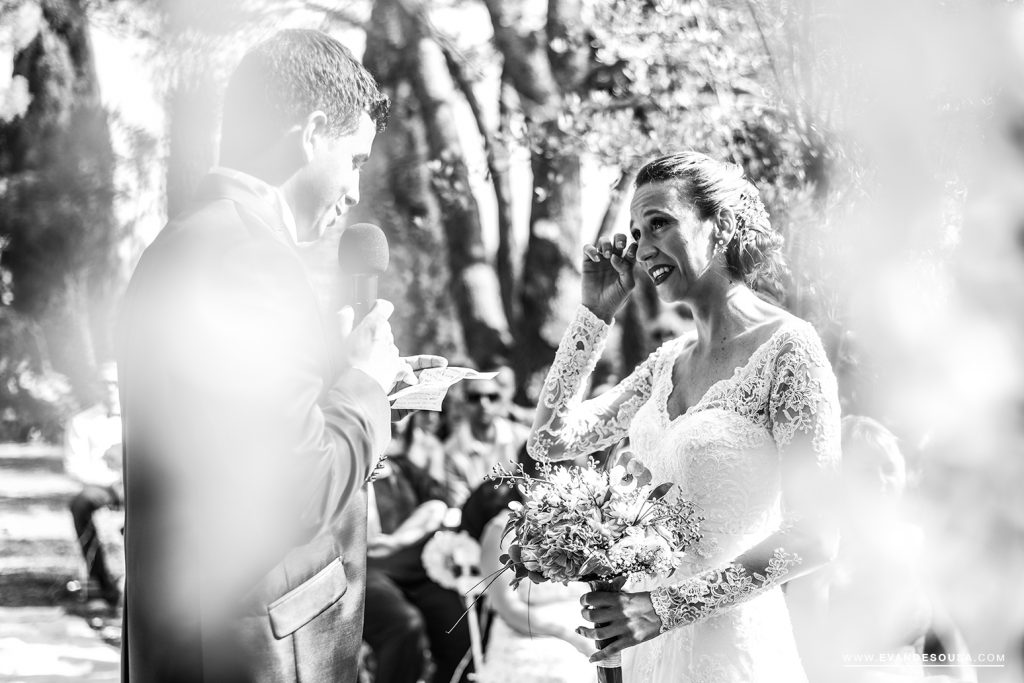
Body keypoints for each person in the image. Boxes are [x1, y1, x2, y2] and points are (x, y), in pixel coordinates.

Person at [118, 30, 440, 682]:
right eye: (353, 160)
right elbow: (298, 485)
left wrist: (357, 383)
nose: (354, 191)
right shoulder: (248, 258)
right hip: (255, 649)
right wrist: (366, 390)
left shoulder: (195, 242)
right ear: (313, 131)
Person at [528, 151, 842, 682]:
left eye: (660, 223)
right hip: (645, 650)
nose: (644, 247)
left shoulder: (789, 351)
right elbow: (551, 442)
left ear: (718, 225)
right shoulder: (666, 364)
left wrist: (663, 609)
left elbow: (815, 535)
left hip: (731, 650)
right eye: (636, 230)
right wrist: (594, 315)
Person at [788, 416, 976, 683]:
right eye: (866, 470)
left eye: (888, 468)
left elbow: (944, 634)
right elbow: (812, 662)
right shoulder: (820, 549)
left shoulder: (911, 541)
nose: (880, 480)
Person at [462, 449, 594, 683]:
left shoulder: (584, 526)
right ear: (524, 484)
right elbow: (508, 609)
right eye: (546, 485)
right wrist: (567, 636)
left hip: (584, 623)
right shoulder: (500, 531)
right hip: (528, 631)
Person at [363, 422, 470, 683]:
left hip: (417, 571)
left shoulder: (405, 468)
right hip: (371, 573)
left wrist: (399, 540)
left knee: (458, 624)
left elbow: (438, 505)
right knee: (404, 626)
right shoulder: (354, 476)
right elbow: (369, 542)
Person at [64, 361, 123, 610]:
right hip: (102, 487)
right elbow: (75, 467)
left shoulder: (144, 420)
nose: (110, 388)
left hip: (137, 487)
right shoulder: (82, 421)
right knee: (80, 503)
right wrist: (112, 483)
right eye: (105, 383)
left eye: (116, 382)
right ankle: (102, 581)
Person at [443, 376, 529, 507]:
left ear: (501, 401)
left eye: (492, 397)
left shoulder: (522, 438)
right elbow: (461, 506)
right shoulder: (450, 451)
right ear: (463, 403)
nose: (483, 403)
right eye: (474, 397)